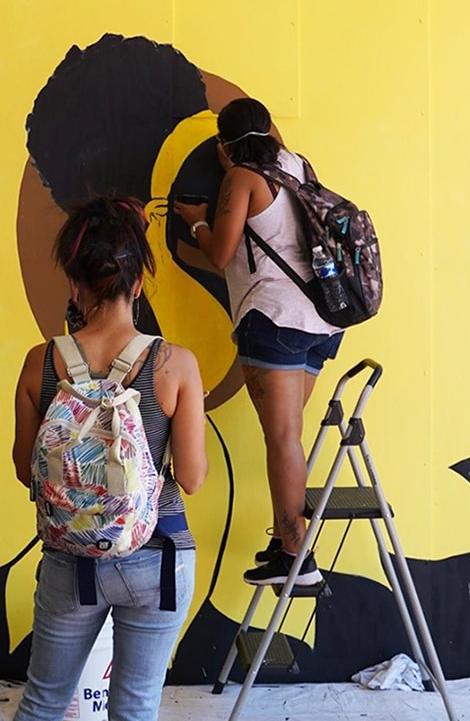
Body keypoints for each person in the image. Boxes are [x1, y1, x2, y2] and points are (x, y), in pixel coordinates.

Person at [11, 196, 208, 721]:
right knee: (135, 709)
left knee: (43, 704)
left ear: (74, 283)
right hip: (158, 556)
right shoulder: (175, 365)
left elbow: (24, 470)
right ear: (137, 283)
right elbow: (191, 478)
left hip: (70, 560)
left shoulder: (39, 363)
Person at [171, 97, 345, 587]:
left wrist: (198, 221)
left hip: (274, 321)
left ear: (224, 145)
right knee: (289, 435)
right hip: (320, 322)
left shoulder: (242, 178)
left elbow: (221, 253)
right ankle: (287, 543)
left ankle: (296, 555)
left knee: (282, 437)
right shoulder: (298, 165)